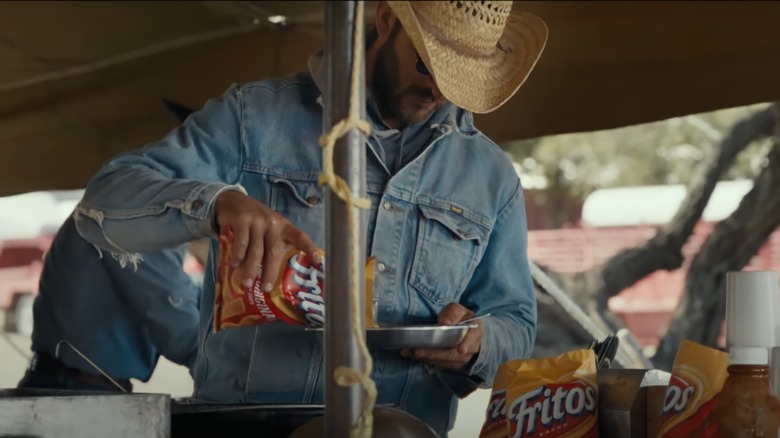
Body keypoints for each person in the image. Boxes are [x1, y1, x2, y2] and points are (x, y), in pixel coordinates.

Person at [73, 1, 547, 434]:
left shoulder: (491, 177)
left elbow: (518, 327)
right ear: (386, 19)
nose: (438, 90)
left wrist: (476, 342)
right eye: (428, 64)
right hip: (247, 427)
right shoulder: (254, 118)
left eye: (460, 80)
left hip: (400, 431)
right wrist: (216, 204)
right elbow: (102, 205)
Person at [17, 215, 201, 392]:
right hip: (75, 389)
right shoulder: (136, 209)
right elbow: (171, 309)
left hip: (77, 383)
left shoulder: (138, 205)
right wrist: (218, 366)